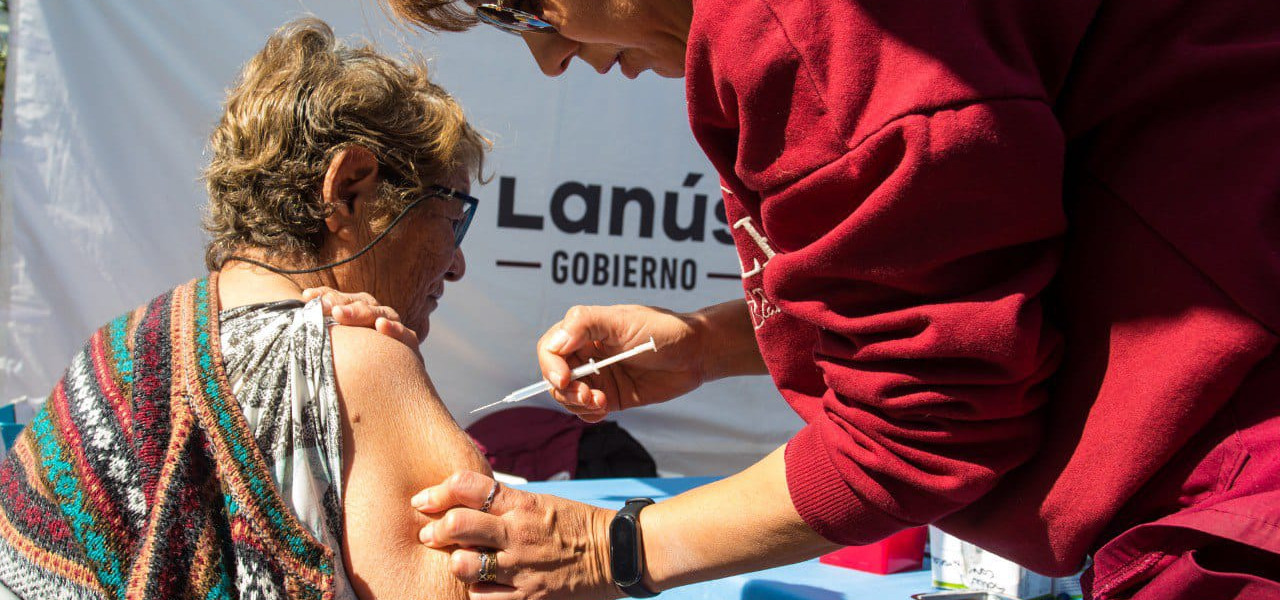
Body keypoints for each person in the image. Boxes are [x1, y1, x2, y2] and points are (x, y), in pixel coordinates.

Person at [375, 0, 1280, 598]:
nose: (547, 55)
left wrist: (611, 549)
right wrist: (709, 343)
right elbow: (973, 280)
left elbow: (923, 430)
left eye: (524, 7)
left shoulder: (813, 28)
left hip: (1239, 479)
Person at [0, 18, 492, 599]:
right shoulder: (357, 362)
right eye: (453, 216)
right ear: (350, 189)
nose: (458, 264)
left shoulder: (117, 348)